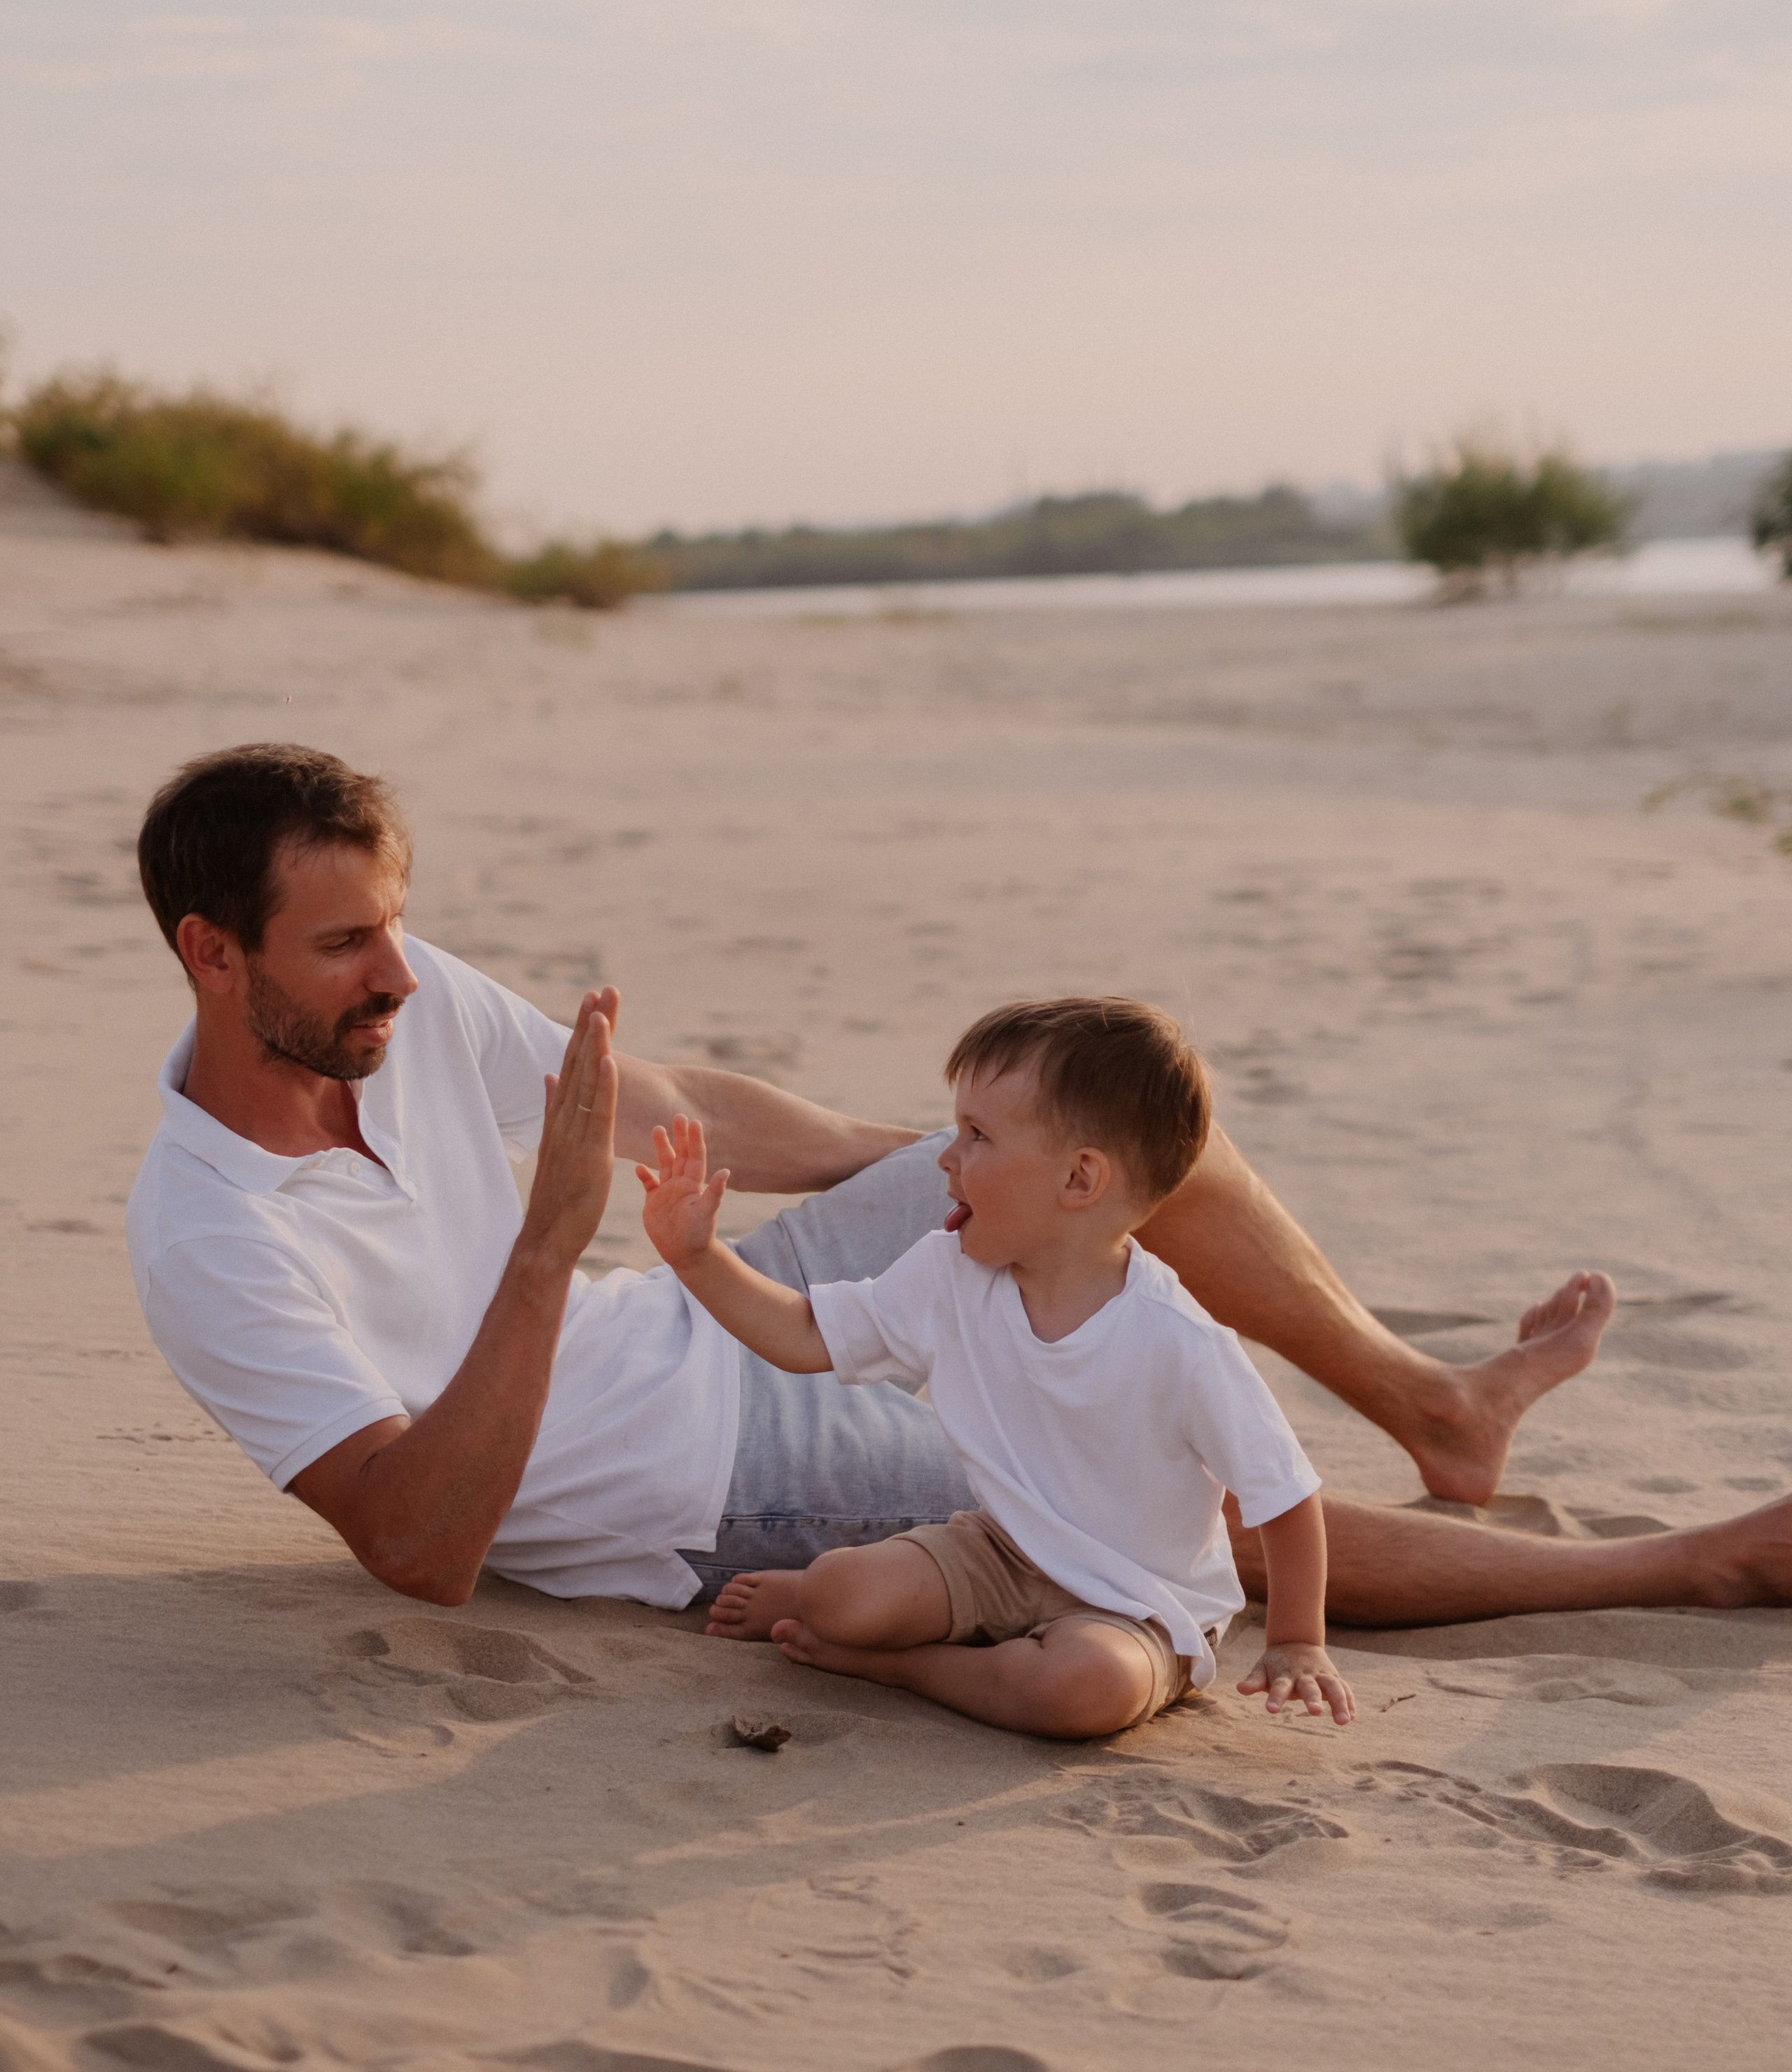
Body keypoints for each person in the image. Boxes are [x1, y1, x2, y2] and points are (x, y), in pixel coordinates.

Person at [127, 743, 1792, 1625]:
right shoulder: (204, 1239)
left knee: (1122, 1124)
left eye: (399, 925)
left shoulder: (392, 1012)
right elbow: (418, 1547)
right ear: (214, 955)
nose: (398, 976)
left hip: (724, 1314)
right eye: (346, 942)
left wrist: (922, 1163)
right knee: (1144, 1498)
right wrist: (545, 1258)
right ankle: (1676, 1566)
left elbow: (678, 1107)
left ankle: (1434, 1409)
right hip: (703, 1490)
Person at [636, 997, 1356, 1739]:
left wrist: (1297, 1639)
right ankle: (846, 1618)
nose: (945, 1155)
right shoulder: (951, 1273)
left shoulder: (1181, 1343)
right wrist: (699, 1257)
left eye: (977, 1135)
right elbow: (805, 1336)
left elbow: (1283, 1495)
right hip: (1000, 1551)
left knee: (1083, 1690)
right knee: (841, 1597)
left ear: (1079, 1180)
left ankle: (899, 1666)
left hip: (1137, 1604)